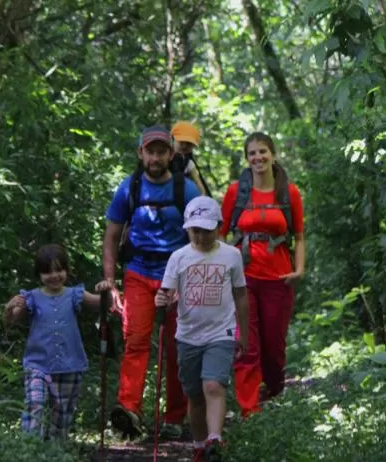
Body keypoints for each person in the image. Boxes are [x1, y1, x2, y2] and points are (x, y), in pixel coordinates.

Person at [102, 125, 202, 439]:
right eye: (150, 151)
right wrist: (109, 281)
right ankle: (128, 411)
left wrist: (188, 281)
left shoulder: (186, 190)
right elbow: (112, 236)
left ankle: (174, 416)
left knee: (177, 347)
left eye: (161, 151)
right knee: (136, 341)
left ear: (171, 154)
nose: (155, 157)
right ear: (141, 154)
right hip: (138, 272)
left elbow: (199, 240)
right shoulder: (128, 188)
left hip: (177, 275)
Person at [157, 196, 249, 462]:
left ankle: (215, 439)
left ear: (218, 227)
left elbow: (241, 295)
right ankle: (199, 446)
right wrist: (162, 301)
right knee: (195, 395)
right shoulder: (179, 257)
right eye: (195, 230)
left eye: (206, 230)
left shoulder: (231, 255)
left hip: (221, 333)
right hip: (187, 336)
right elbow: (167, 294)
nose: (200, 235)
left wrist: (244, 333)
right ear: (187, 228)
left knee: (213, 385)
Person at [220, 132, 305, 418]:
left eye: (263, 151)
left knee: (274, 348)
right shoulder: (236, 193)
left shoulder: (288, 193)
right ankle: (249, 410)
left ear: (273, 154)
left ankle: (274, 392)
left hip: (278, 280)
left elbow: (300, 236)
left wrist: (299, 269)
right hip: (242, 279)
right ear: (247, 159)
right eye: (252, 153)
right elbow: (220, 235)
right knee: (246, 344)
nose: (258, 157)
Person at [3, 243, 113, 441]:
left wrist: (107, 291)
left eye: (59, 270)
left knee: (61, 414)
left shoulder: (74, 294)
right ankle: (29, 446)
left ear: (66, 271)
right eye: (47, 271)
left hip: (69, 365)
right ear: (39, 274)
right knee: (35, 403)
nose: (54, 276)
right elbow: (12, 319)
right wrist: (9, 308)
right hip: (37, 365)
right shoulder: (32, 297)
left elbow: (103, 305)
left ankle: (56, 450)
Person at [171, 121, 211, 196]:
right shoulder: (163, 157)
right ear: (173, 139)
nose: (184, 146)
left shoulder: (188, 163)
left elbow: (200, 188)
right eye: (181, 142)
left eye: (189, 144)